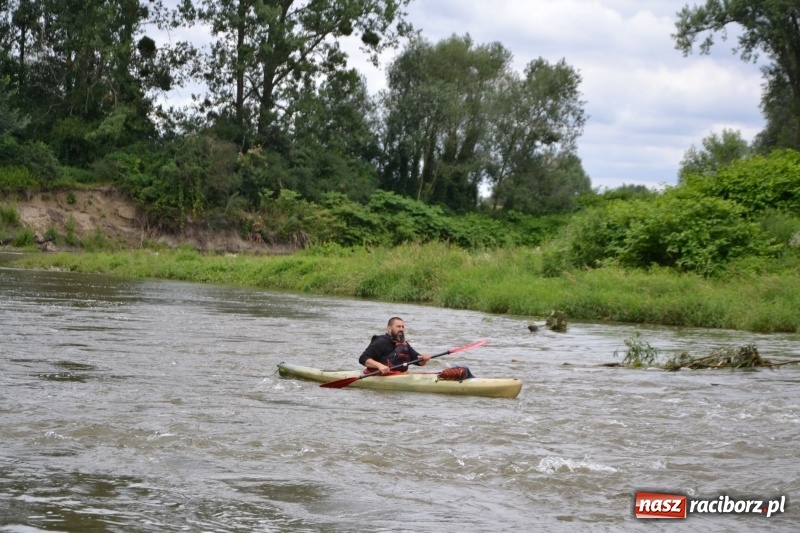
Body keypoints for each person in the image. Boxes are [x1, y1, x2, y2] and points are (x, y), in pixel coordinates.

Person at [359, 317, 432, 375]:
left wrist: (424, 359)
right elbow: (363, 358)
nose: (401, 329)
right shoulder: (381, 341)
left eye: (403, 327)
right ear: (389, 328)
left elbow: (419, 361)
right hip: (380, 375)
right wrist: (380, 366)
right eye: (398, 326)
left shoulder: (404, 344)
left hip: (399, 375)